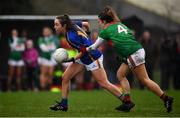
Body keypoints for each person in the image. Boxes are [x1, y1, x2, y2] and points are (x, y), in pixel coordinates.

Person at [87, 6, 173, 112]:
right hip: (136, 50)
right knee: (120, 74)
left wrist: (84, 48)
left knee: (145, 80)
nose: (99, 23)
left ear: (104, 21)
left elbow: (93, 47)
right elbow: (125, 40)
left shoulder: (106, 31)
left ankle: (166, 99)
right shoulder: (120, 24)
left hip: (133, 53)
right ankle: (127, 102)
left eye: (99, 21)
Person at [50, 14, 126, 111]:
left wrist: (71, 59)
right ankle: (64, 104)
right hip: (84, 57)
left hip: (92, 57)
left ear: (64, 25)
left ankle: (126, 100)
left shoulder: (71, 37)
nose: (54, 27)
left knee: (104, 83)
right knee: (65, 77)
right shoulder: (72, 25)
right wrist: (88, 34)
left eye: (56, 24)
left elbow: (84, 51)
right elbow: (86, 24)